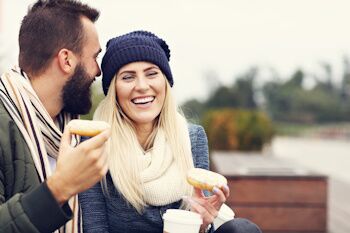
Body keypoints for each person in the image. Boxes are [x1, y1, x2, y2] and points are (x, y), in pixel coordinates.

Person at [79, 31, 261, 233]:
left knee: (242, 229)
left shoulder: (192, 139)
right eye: (128, 77)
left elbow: (202, 227)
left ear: (165, 82)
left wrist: (202, 224)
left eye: (152, 74)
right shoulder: (95, 144)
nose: (142, 86)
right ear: (114, 90)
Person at [0, 0, 110, 232]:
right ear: (66, 60)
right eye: (94, 57)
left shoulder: (73, 131)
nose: (98, 71)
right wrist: (60, 187)